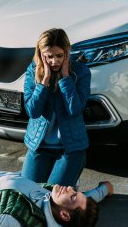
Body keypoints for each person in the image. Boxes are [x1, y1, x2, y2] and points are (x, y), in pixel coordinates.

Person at [21, 28, 91, 186]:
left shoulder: (81, 71)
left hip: (70, 149)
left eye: (59, 56)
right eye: (49, 56)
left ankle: (100, 190)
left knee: (53, 199)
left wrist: (66, 77)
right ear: (40, 54)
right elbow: (33, 111)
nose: (54, 61)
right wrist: (44, 81)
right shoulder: (33, 71)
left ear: (67, 51)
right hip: (39, 147)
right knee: (28, 195)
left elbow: (75, 109)